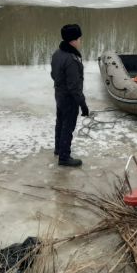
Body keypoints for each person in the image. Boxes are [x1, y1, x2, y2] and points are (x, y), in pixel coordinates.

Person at [51, 23, 89, 167]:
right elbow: (74, 87)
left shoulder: (57, 54)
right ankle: (64, 157)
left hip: (59, 95)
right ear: (72, 41)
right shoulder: (71, 60)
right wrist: (83, 105)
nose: (80, 41)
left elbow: (53, 75)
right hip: (69, 99)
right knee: (68, 126)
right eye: (79, 39)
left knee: (60, 123)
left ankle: (58, 149)